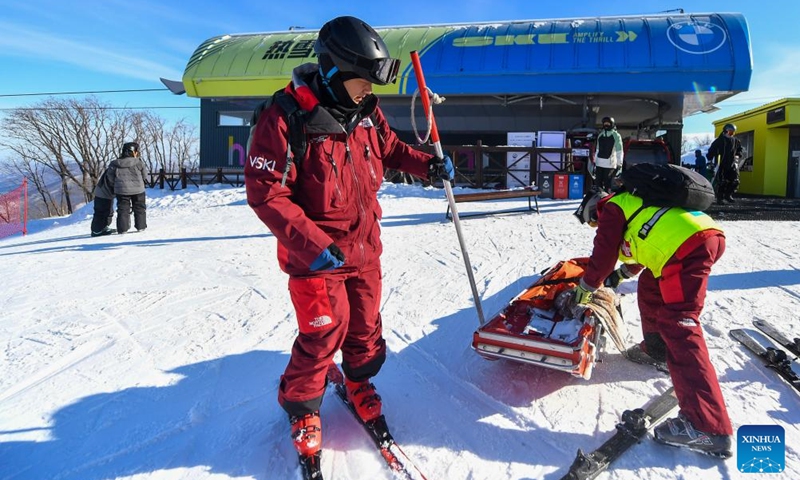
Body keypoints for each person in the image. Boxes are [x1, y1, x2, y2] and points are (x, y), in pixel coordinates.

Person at [243, 15, 454, 460]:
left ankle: (358, 381)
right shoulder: (286, 117)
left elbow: (391, 149)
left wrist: (427, 166)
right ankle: (301, 405)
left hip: (365, 248)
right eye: (362, 80)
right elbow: (266, 192)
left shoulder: (367, 113)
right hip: (316, 256)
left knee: (364, 328)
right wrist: (314, 245)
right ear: (334, 71)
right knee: (324, 332)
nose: (368, 90)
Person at [570, 188, 733, 459]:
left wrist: (586, 287)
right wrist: (621, 274)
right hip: (700, 236)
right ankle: (657, 350)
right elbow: (649, 244)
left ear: (593, 210)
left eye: (592, 222)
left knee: (680, 324)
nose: (596, 227)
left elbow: (603, 254)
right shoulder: (636, 201)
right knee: (651, 283)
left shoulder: (612, 207)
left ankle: (706, 426)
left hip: (688, 247)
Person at [107, 142, 148, 233]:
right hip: (138, 189)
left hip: (121, 190)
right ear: (134, 152)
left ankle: (123, 229)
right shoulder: (138, 162)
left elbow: (110, 177)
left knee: (123, 209)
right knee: (139, 207)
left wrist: (116, 185)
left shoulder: (114, 163)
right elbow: (145, 176)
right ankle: (141, 226)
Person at [706, 123, 743, 204]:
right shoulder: (718, 141)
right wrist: (710, 159)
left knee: (735, 180)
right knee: (722, 181)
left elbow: (739, 149)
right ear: (725, 131)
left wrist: (738, 155)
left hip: (732, 163)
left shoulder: (736, 141)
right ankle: (720, 198)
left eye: (733, 133)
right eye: (730, 132)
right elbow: (711, 151)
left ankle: (728, 195)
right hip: (721, 164)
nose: (732, 134)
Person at [593, 116, 623, 191]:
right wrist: (595, 162)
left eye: (608, 123)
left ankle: (607, 197)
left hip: (610, 165)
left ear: (612, 124)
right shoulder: (600, 135)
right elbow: (597, 150)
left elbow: (619, 151)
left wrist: (619, 164)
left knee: (608, 185)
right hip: (599, 163)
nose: (606, 125)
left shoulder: (616, 135)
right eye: (605, 123)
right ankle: (599, 197)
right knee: (598, 184)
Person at [90, 167, 115, 237]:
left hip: (102, 192)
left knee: (104, 212)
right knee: (102, 212)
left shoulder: (112, 168)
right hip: (104, 193)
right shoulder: (114, 169)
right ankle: (97, 231)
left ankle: (100, 229)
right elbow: (113, 182)